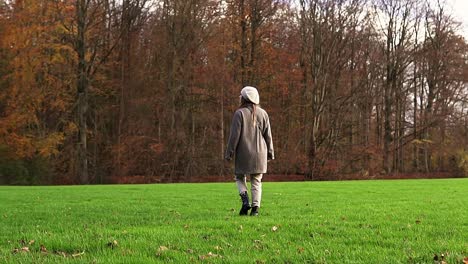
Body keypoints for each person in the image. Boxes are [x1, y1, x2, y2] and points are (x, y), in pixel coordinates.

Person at [225, 86, 274, 216]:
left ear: (244, 98)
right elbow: (268, 136)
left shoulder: (239, 113)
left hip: (244, 153)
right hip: (260, 154)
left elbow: (234, 136)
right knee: (256, 181)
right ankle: (255, 209)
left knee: (239, 177)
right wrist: (270, 153)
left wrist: (229, 153)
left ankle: (245, 200)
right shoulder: (263, 113)